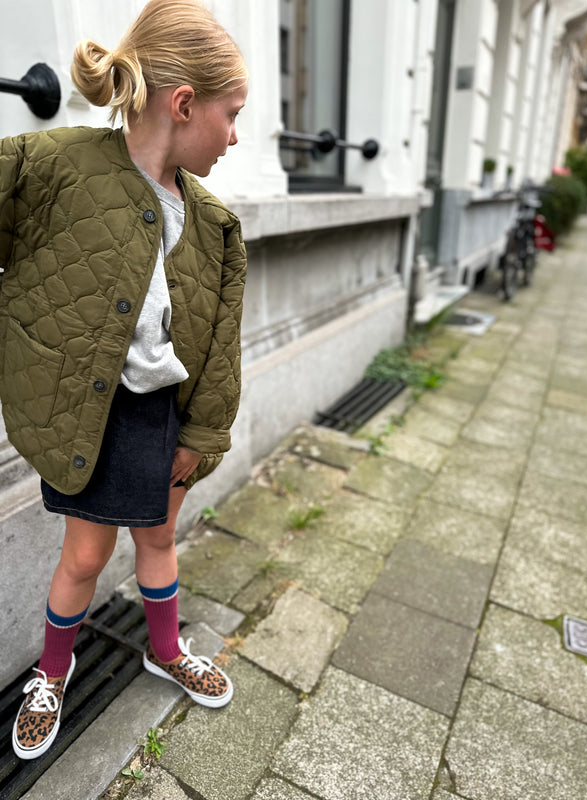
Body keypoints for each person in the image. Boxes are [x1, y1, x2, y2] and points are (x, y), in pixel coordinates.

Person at [0, 0, 248, 760]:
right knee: (83, 557)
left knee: (160, 539)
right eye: (231, 114)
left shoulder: (215, 226)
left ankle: (164, 649)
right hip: (85, 415)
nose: (236, 136)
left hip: (160, 420)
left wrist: (201, 435)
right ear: (183, 105)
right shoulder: (50, 168)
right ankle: (52, 670)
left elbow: (220, 345)